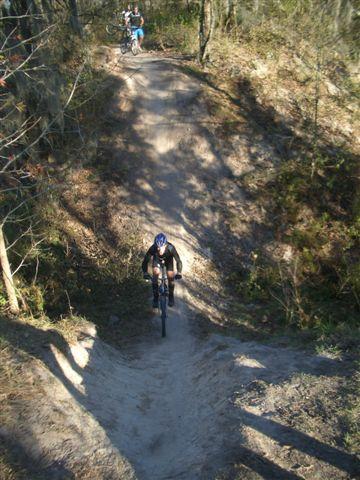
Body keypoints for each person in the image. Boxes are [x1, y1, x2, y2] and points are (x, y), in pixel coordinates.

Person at [142, 233, 183, 308]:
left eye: (161, 247)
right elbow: (145, 261)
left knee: (170, 277)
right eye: (157, 247)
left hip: (168, 260)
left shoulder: (171, 248)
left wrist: (179, 272)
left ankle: (171, 296)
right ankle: (155, 298)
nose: (159, 249)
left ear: (165, 245)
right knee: (155, 276)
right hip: (157, 260)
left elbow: (178, 261)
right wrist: (145, 272)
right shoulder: (153, 248)